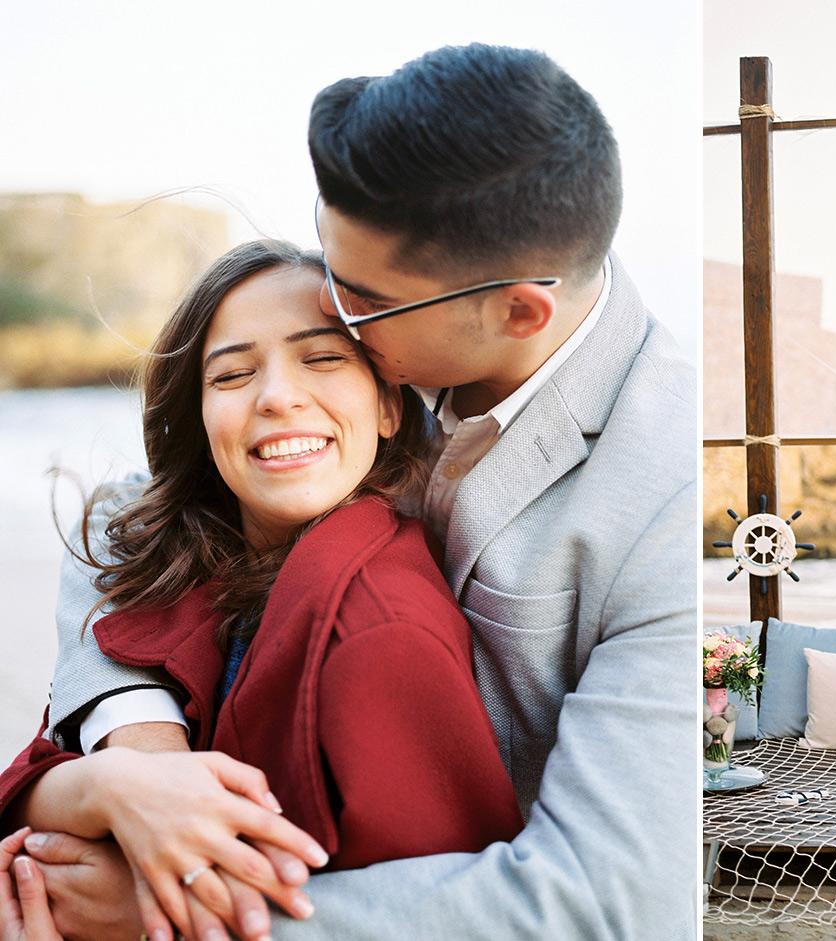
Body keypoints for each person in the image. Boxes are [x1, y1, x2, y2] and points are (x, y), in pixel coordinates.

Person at [20, 44, 696, 941]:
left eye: (359, 300)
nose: (331, 305)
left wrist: (177, 915)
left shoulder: (670, 498)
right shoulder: (405, 344)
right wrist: (141, 758)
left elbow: (615, 899)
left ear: (517, 312)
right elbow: (135, 511)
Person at [0, 240, 524, 941]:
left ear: (389, 407)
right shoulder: (193, 574)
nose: (276, 395)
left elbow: (452, 915)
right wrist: (116, 785)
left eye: (324, 357)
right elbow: (40, 774)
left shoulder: (379, 632)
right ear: (201, 422)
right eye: (232, 373)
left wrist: (168, 915)